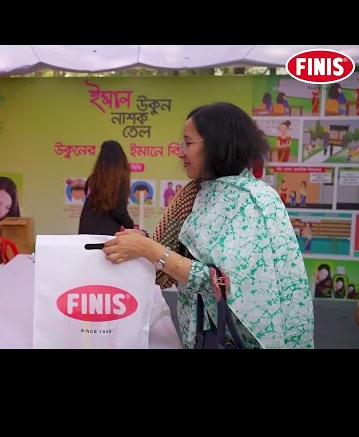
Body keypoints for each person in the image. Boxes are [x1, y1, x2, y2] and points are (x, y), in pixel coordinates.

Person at [102, 102, 315, 349]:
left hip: (238, 339)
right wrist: (145, 243)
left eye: (188, 143)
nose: (180, 152)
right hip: (206, 334)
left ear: (217, 144)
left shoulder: (251, 199)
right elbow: (190, 255)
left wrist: (149, 249)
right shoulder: (201, 192)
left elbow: (221, 282)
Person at [78, 140, 134, 236]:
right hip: (105, 234)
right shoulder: (119, 180)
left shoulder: (92, 179)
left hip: (85, 230)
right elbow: (118, 210)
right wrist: (131, 225)